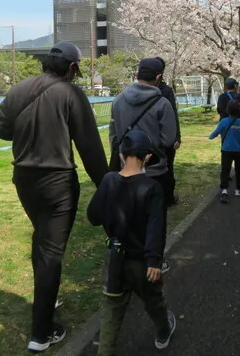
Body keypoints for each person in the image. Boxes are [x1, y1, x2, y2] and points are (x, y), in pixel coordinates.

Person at [0, 41, 108, 353]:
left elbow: (0, 129)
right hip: (58, 182)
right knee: (51, 253)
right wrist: (108, 187)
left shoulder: (19, 90)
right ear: (72, 68)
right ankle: (41, 334)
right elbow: (91, 150)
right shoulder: (71, 93)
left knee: (42, 240)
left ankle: (48, 296)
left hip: (24, 180)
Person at [87, 129, 177, 355]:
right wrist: (154, 261)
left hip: (115, 259)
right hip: (143, 263)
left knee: (111, 309)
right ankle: (163, 330)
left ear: (120, 155)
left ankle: (104, 350)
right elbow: (156, 229)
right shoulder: (152, 188)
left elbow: (93, 217)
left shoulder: (108, 181)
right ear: (147, 157)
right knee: (153, 301)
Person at [109, 57, 177, 273]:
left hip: (126, 168)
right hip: (155, 170)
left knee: (129, 216)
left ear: (137, 74)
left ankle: (126, 259)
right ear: (158, 77)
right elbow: (168, 140)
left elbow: (113, 136)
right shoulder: (162, 103)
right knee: (155, 220)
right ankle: (155, 263)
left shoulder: (118, 101)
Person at [154, 57, 181, 206]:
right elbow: (173, 115)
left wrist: (177, 136)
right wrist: (177, 136)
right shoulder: (166, 90)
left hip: (152, 137)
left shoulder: (166, 90)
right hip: (165, 137)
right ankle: (167, 198)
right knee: (167, 168)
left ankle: (165, 198)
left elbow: (173, 114)